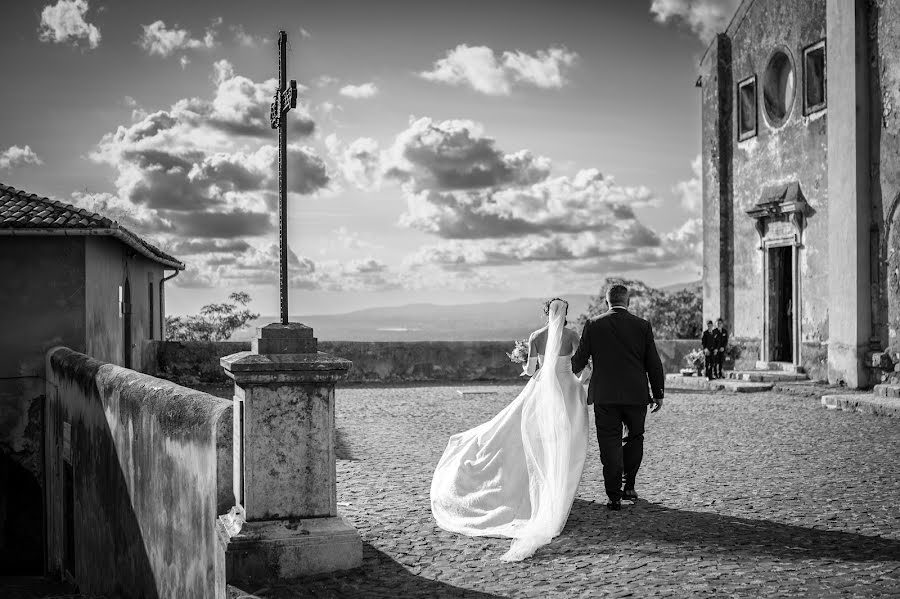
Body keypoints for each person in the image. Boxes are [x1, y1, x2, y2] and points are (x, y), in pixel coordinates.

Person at [431, 298, 590, 562]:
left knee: (528, 439)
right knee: (563, 442)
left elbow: (529, 371)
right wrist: (580, 381)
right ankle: (556, 490)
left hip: (542, 390)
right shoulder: (573, 335)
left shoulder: (536, 336)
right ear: (565, 314)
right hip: (567, 393)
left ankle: (532, 490)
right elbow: (581, 367)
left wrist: (525, 359)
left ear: (546, 314)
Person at [572, 284, 664, 511]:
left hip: (605, 395)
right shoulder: (642, 326)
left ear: (607, 302)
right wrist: (658, 393)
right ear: (628, 301)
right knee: (635, 438)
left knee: (608, 443)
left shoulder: (593, 325)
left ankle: (613, 496)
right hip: (636, 395)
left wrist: (554, 368)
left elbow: (579, 361)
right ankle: (629, 485)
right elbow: (653, 361)